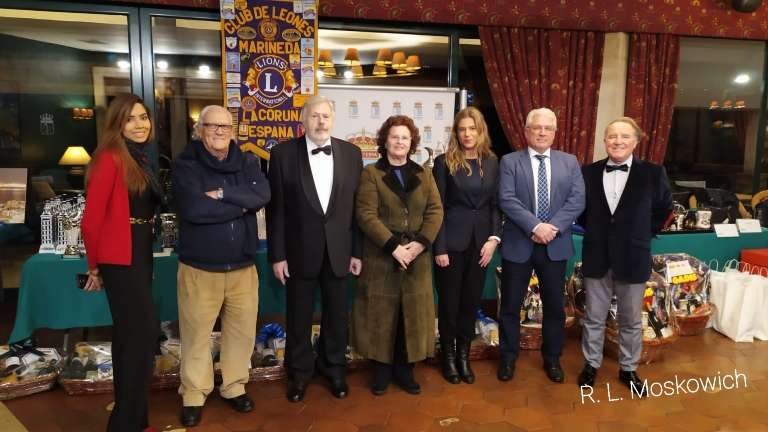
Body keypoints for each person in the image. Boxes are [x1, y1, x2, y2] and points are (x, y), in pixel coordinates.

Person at [172, 105, 270, 427]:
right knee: (197, 334)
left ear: (233, 130)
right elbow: (194, 209)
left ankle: (234, 386)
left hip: (243, 266)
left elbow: (261, 195)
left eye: (225, 126)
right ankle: (195, 393)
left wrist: (223, 194)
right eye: (212, 125)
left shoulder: (247, 160)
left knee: (241, 333)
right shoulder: (186, 164)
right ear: (200, 129)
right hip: (200, 268)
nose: (219, 131)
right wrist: (239, 206)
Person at [266, 95, 363, 403]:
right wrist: (277, 255)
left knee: (336, 316)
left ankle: (334, 369)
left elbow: (357, 210)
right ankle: (299, 374)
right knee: (298, 316)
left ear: (332, 120)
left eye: (326, 116)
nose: (321, 122)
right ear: (303, 119)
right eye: (314, 116)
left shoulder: (352, 153)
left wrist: (357, 252)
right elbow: (276, 211)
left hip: (339, 251)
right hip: (297, 252)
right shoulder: (281, 155)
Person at [81, 93, 161, 432]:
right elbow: (91, 219)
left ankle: (136, 422)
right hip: (120, 259)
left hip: (139, 253)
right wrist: (94, 267)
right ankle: (124, 425)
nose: (140, 124)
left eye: (143, 117)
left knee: (131, 341)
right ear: (117, 123)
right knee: (141, 340)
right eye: (131, 119)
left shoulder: (138, 157)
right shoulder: (110, 158)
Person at [577, 117, 672, 393]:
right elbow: (581, 211)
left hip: (633, 256)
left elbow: (664, 210)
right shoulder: (588, 173)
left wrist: (640, 232)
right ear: (604, 141)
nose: (617, 141)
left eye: (624, 136)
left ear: (636, 141)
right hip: (597, 255)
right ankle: (591, 365)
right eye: (612, 136)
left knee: (631, 320)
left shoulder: (654, 173)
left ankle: (628, 369)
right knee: (594, 317)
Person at [352, 115, 443, 396]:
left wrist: (419, 245)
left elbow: (435, 211)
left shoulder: (424, 174)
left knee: (412, 316)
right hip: (382, 256)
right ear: (385, 141)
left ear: (412, 142)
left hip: (417, 258)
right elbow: (365, 215)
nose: (400, 142)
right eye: (394, 137)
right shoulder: (371, 174)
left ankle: (405, 370)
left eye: (405, 137)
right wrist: (393, 247)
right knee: (380, 315)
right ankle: (381, 370)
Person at [497, 107, 585, 383]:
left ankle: (552, 359)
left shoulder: (569, 162)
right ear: (526, 131)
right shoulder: (510, 161)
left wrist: (552, 228)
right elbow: (507, 199)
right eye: (537, 127)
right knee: (510, 306)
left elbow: (577, 200)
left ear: (555, 132)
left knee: (555, 307)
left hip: (555, 244)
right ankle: (508, 358)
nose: (542, 132)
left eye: (548, 128)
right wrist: (535, 226)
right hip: (518, 243)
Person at [432, 107, 501, 385]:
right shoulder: (443, 162)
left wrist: (494, 239)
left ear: (480, 130)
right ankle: (447, 357)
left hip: (481, 246)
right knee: (449, 304)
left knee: (470, 303)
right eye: (462, 129)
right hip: (451, 244)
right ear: (456, 133)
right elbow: (436, 209)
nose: (467, 134)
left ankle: (464, 355)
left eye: (472, 128)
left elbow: (496, 206)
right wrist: (439, 248)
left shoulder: (493, 162)